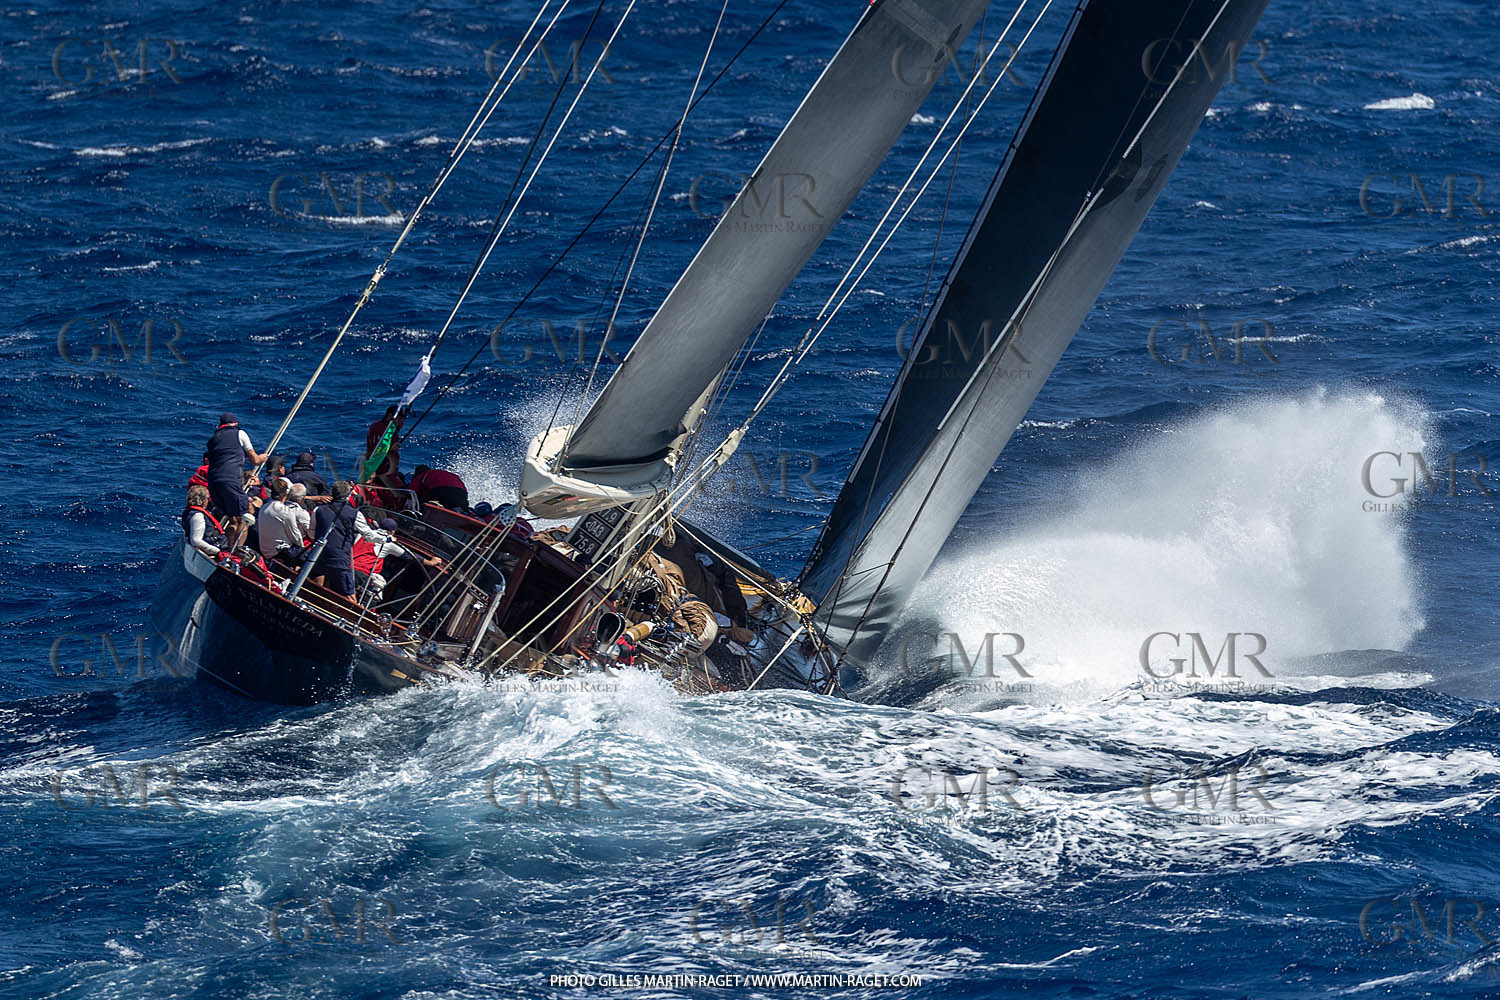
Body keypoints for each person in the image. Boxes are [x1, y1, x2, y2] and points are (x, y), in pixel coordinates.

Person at [205, 412, 266, 550]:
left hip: (213, 482)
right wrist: (262, 458)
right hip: (231, 481)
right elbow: (254, 460)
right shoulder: (240, 433)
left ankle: (227, 550)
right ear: (235, 423)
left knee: (233, 519)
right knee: (246, 517)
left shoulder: (213, 439)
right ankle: (236, 552)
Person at [352, 517, 442, 599]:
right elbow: (410, 556)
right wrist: (431, 562)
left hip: (346, 569)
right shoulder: (388, 543)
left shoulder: (362, 534)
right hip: (362, 575)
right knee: (376, 593)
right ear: (392, 532)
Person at [310, 481, 360, 600]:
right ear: (348, 496)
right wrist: (386, 538)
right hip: (340, 559)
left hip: (319, 555)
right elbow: (368, 534)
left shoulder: (318, 510)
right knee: (349, 593)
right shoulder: (354, 514)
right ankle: (353, 613)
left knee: (317, 578)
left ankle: (314, 600)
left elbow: (312, 532)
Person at [258, 477, 313, 563]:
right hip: (278, 552)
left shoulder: (263, 507)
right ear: (286, 493)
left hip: (264, 550)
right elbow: (296, 537)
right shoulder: (285, 512)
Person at [182, 484, 227, 559]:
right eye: (207, 498)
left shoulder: (190, 512)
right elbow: (196, 541)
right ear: (203, 501)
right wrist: (217, 551)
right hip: (218, 550)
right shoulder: (198, 516)